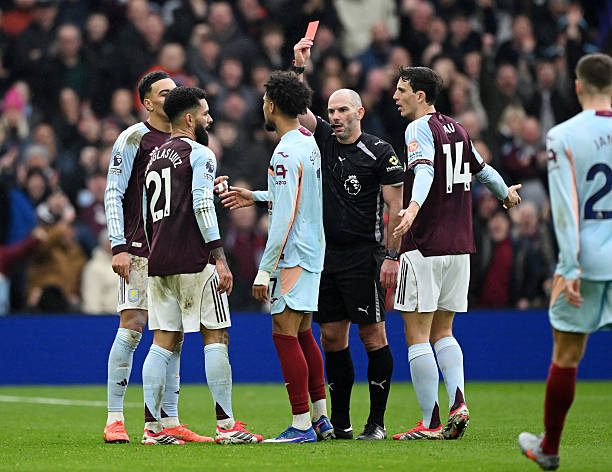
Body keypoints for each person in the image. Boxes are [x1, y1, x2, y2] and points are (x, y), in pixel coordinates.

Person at [391, 66, 522, 440]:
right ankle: (458, 401)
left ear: (420, 95)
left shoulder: (418, 129)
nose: (396, 96)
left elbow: (424, 171)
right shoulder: (459, 129)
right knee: (443, 330)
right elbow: (484, 170)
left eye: (402, 90)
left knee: (416, 333)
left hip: (424, 244)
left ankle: (430, 422)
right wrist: (505, 194)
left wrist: (413, 207)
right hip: (459, 247)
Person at [292, 37, 404, 440]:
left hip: (364, 256)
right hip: (326, 258)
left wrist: (392, 255)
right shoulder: (322, 139)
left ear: (360, 112)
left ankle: (377, 422)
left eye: (342, 110)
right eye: (331, 111)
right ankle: (341, 423)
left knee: (372, 335)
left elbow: (395, 208)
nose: (335, 117)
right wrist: (299, 67)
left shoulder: (380, 152)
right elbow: (295, 109)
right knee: (331, 337)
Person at [141, 85, 262, 445]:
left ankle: (152, 429)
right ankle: (227, 426)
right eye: (206, 114)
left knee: (163, 341)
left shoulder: (155, 156)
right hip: (195, 259)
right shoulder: (201, 153)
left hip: (159, 258)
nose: (210, 119)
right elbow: (200, 206)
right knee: (216, 335)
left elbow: (155, 211)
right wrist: (219, 258)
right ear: (190, 118)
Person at [222, 71, 331, 443]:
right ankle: (320, 417)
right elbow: (298, 195)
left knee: (284, 333)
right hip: (313, 248)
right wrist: (256, 196)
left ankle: (300, 425)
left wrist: (264, 270)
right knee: (303, 332)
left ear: (271, 105)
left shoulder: (284, 152)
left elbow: (283, 217)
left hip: (293, 253)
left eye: (264, 100)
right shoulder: (308, 140)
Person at [518, 53, 612, 471]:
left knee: (567, 355)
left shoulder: (562, 135)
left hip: (586, 262)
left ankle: (550, 448)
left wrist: (569, 267)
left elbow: (565, 207)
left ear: (577, 86)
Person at [103, 71, 208, 443]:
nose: (171, 96)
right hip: (137, 250)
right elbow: (113, 192)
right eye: (163, 93)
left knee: (172, 334)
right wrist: (118, 245)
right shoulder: (134, 137)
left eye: (174, 91)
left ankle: (168, 421)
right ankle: (115, 418)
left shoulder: (187, 142)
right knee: (132, 325)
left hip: (171, 250)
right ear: (147, 103)